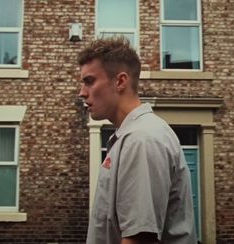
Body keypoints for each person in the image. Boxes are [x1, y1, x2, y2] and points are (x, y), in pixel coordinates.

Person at [77, 37, 197, 244]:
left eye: (89, 81)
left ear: (120, 81)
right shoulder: (130, 136)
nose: (82, 92)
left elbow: (139, 239)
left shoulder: (142, 139)